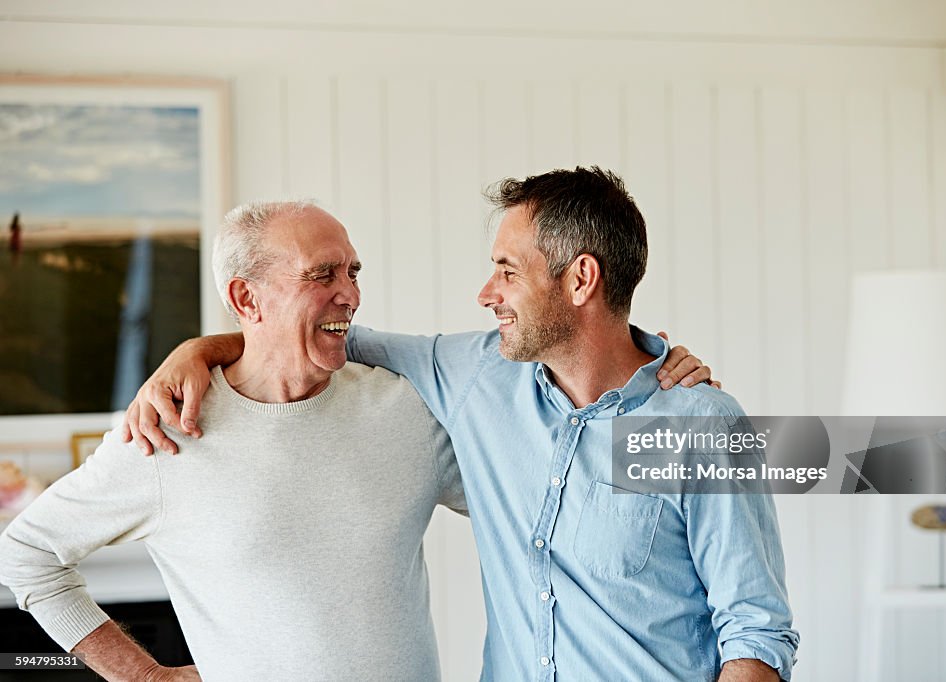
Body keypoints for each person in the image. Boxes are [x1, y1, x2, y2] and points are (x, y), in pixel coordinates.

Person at [127, 168, 788, 681]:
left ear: (581, 279)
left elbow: (755, 630)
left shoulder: (698, 424)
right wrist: (200, 351)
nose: (486, 293)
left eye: (507, 270)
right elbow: (321, 336)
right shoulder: (476, 378)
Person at [0, 201, 468, 681]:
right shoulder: (164, 433)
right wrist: (144, 676)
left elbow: (532, 508)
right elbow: (26, 554)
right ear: (246, 299)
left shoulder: (408, 411)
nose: (350, 294)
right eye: (323, 275)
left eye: (353, 272)